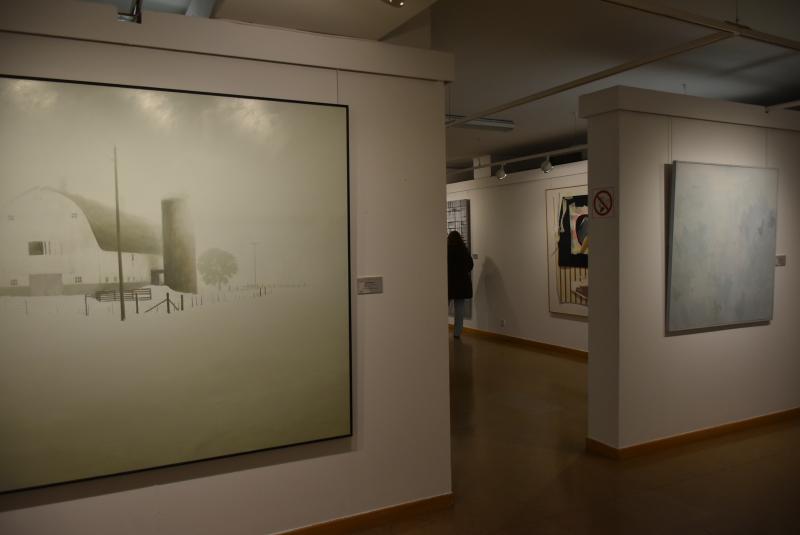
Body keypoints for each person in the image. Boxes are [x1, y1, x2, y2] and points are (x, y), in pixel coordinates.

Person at [447, 230, 473, 338]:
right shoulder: (463, 250)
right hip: (461, 285)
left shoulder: (447, 250)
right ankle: (457, 333)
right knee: (460, 310)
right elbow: (470, 265)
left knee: (443, 308)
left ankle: (440, 331)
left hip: (449, 284)